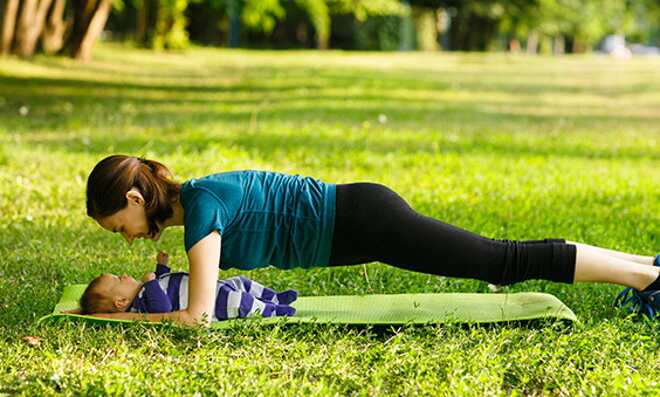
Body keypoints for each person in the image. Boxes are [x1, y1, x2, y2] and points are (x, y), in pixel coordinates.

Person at [84, 154, 660, 326]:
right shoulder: (200, 203)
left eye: (119, 227)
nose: (126, 239)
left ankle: (646, 278)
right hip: (360, 215)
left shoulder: (203, 214)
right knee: (498, 256)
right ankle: (648, 266)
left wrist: (116, 320)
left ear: (136, 200)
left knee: (500, 261)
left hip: (364, 221)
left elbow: (197, 317)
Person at [79, 251, 297, 320]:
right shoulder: (144, 303)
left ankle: (274, 297)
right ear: (121, 301)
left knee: (242, 283)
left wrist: (161, 267)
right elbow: (163, 309)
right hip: (212, 303)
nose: (124, 274)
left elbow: (165, 283)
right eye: (118, 278)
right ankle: (275, 311)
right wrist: (151, 283)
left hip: (210, 285)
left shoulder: (146, 290)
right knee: (240, 301)